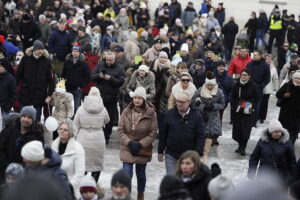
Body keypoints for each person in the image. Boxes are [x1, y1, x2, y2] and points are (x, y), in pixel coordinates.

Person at [117, 87, 157, 200]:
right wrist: (129, 143)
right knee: (127, 173)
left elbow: (153, 132)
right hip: (127, 147)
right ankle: (127, 195)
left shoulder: (151, 113)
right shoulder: (126, 111)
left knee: (140, 174)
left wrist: (140, 144)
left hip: (142, 148)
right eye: (135, 98)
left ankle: (141, 193)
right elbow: (120, 131)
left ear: (144, 99)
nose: (137, 100)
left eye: (139, 98)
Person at [158, 92, 206, 175]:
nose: (179, 104)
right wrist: (160, 151)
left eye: (182, 102)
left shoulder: (196, 116)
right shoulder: (170, 114)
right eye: (177, 101)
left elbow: (201, 136)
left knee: (187, 182)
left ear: (189, 102)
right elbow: (163, 133)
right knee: (173, 180)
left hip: (189, 156)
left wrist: (198, 153)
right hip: (171, 154)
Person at [74, 87, 109, 182]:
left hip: (82, 140)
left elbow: (75, 125)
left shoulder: (81, 109)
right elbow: (107, 120)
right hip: (98, 139)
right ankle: (93, 187)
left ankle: (83, 188)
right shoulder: (103, 109)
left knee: (83, 165)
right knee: (97, 165)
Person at [16, 40, 55, 121]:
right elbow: (18, 75)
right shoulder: (25, 59)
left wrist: (50, 94)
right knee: (22, 117)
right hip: (25, 93)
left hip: (39, 94)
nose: (41, 51)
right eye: (39, 49)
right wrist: (14, 89)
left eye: (42, 49)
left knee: (36, 118)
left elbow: (51, 80)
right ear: (34, 49)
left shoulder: (47, 62)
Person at [248, 119, 296, 183]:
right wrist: (251, 172)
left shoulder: (287, 142)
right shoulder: (263, 141)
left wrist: (294, 176)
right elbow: (254, 158)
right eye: (276, 132)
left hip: (281, 177)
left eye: (280, 131)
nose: (278, 134)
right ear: (271, 132)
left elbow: (292, 161)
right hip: (265, 175)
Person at [91, 51, 125, 144]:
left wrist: (110, 78)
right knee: (98, 117)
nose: (108, 62)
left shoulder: (120, 68)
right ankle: (100, 134)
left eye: (110, 60)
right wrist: (99, 76)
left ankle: (106, 136)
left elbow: (120, 82)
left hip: (112, 98)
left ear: (114, 60)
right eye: (107, 60)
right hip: (100, 97)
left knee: (109, 119)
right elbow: (92, 76)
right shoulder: (100, 65)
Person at [193, 77, 225, 163]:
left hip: (213, 117)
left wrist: (214, 106)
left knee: (211, 135)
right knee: (201, 134)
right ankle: (201, 153)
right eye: (208, 85)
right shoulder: (200, 90)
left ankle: (206, 153)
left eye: (211, 85)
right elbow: (194, 103)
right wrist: (202, 107)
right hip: (201, 116)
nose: (210, 87)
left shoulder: (219, 92)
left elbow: (222, 104)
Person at [52, 119, 85, 198]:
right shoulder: (54, 145)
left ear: (71, 133)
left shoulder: (77, 148)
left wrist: (67, 187)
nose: (62, 131)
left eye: (65, 130)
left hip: (70, 189)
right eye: (61, 129)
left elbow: (79, 173)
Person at [231, 69, 258, 156]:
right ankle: (240, 145)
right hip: (237, 109)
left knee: (246, 129)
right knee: (237, 128)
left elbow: (257, 98)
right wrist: (234, 106)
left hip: (248, 108)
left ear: (249, 76)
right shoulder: (236, 84)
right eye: (242, 74)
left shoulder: (253, 85)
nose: (243, 76)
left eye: (245, 75)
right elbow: (233, 97)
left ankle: (243, 147)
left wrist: (252, 107)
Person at [61, 45, 90, 115]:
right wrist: (62, 84)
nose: (75, 53)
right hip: (67, 88)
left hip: (77, 88)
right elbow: (63, 74)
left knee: (77, 107)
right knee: (66, 106)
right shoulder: (67, 62)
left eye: (76, 51)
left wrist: (82, 85)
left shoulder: (84, 63)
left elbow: (88, 76)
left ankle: (76, 122)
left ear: (79, 53)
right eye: (73, 51)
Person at [246, 50, 270, 124]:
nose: (254, 56)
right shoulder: (249, 64)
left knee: (256, 105)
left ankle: (254, 121)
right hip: (249, 87)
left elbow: (267, 78)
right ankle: (247, 120)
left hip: (258, 89)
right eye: (254, 55)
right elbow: (245, 74)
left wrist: (261, 86)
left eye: (256, 55)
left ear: (260, 56)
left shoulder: (265, 65)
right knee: (247, 104)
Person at [276, 71, 300, 145]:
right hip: (285, 113)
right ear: (293, 78)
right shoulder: (287, 85)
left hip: (297, 114)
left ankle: (290, 146)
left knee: (294, 131)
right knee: (284, 130)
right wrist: (284, 95)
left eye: (299, 78)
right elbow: (278, 94)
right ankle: (282, 144)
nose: (297, 80)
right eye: (296, 78)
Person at [258, 54, 278, 124]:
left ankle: (262, 117)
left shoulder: (273, 68)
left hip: (268, 89)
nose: (269, 60)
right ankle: (257, 116)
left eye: (270, 59)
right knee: (259, 103)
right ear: (264, 60)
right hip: (259, 87)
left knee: (264, 103)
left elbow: (275, 79)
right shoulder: (261, 66)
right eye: (268, 59)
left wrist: (276, 88)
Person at [0, 60, 17, 130]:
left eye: (1, 66)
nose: (0, 68)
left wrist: (8, 105)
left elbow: (14, 94)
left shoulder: (10, 79)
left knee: (4, 126)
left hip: (5, 107)